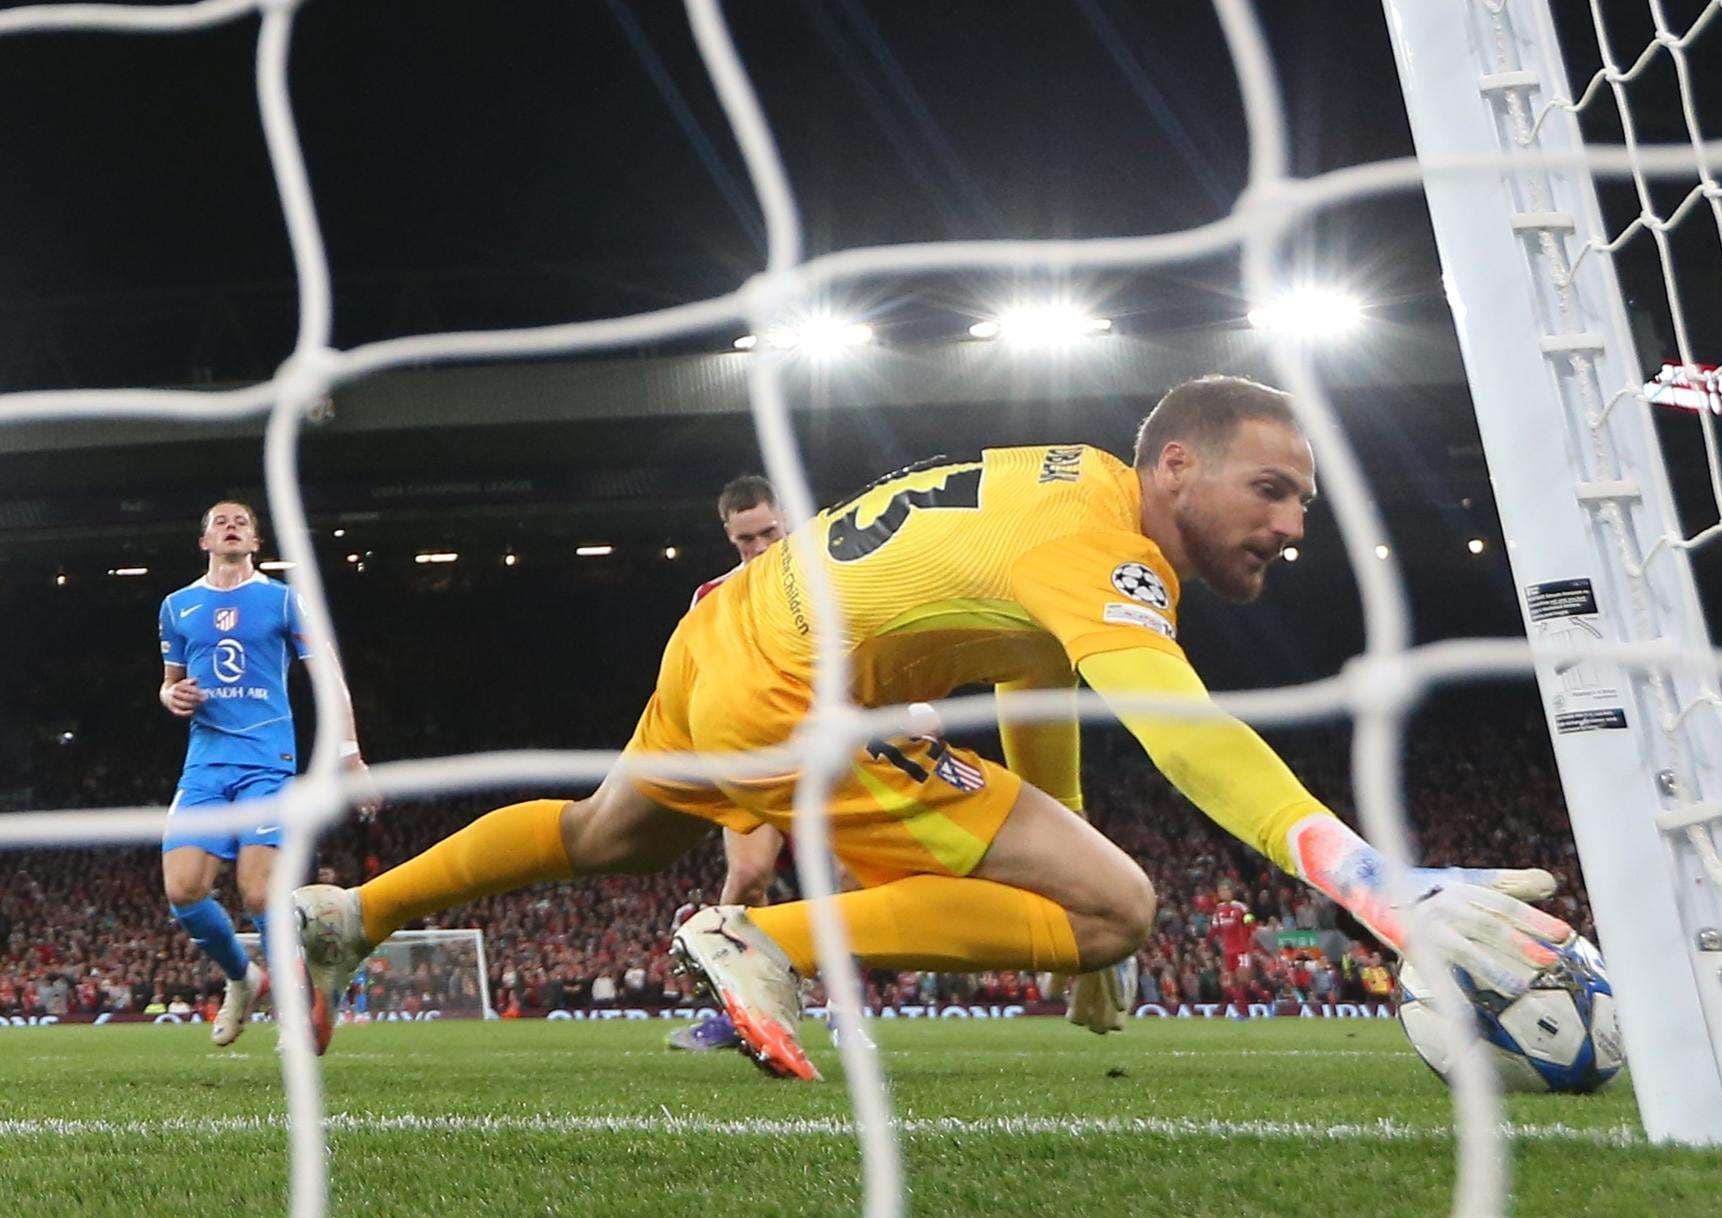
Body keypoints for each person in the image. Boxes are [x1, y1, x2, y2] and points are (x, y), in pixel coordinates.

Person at [294, 375, 1567, 1077]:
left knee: (607, 835)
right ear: (1176, 465)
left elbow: (1038, 687)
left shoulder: (1066, 481)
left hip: (724, 630)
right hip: (801, 689)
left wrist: (1053, 833)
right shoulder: (1106, 546)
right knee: (1122, 909)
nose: (1293, 525)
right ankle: (765, 940)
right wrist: (1368, 880)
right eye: (1271, 488)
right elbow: (1182, 730)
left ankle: (356, 916)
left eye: (1305, 500)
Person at [159, 499, 373, 1047]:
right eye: (219, 522)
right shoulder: (177, 606)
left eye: (242, 523)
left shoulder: (283, 600)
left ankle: (298, 1008)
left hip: (267, 765)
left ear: (256, 542)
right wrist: (171, 694)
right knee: (183, 890)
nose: (231, 527)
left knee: (259, 894)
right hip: (205, 765)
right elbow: (169, 681)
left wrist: (349, 753)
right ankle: (243, 978)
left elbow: (329, 677)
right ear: (204, 541)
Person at [668, 478, 788, 1053]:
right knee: (746, 881)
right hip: (756, 758)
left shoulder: (832, 575)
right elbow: (693, 683)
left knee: (851, 879)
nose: (761, 547)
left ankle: (846, 1010)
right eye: (747, 539)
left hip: (837, 753)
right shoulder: (712, 597)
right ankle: (740, 1014)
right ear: (728, 536)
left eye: (770, 532)